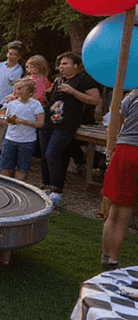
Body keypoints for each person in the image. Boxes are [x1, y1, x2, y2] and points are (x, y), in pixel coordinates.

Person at [38, 51, 101, 208]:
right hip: (49, 122)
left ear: (76, 66)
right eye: (60, 64)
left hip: (66, 124)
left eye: (65, 63)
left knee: (53, 154)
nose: (61, 67)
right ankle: (46, 186)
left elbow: (95, 100)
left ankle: (57, 191)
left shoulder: (84, 80)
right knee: (45, 155)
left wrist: (73, 91)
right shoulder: (59, 80)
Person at [100, 85, 138, 270]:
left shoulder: (133, 95)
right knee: (121, 213)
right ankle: (111, 260)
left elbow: (115, 123)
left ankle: (110, 260)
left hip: (125, 151)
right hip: (129, 150)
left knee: (116, 212)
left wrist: (110, 149)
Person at [0, 77, 44, 182]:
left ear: (30, 92)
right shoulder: (11, 103)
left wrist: (24, 122)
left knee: (22, 169)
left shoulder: (35, 104)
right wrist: (7, 120)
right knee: (5, 167)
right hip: (10, 139)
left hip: (27, 141)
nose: (18, 91)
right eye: (17, 89)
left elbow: (40, 123)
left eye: (21, 88)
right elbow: (4, 117)